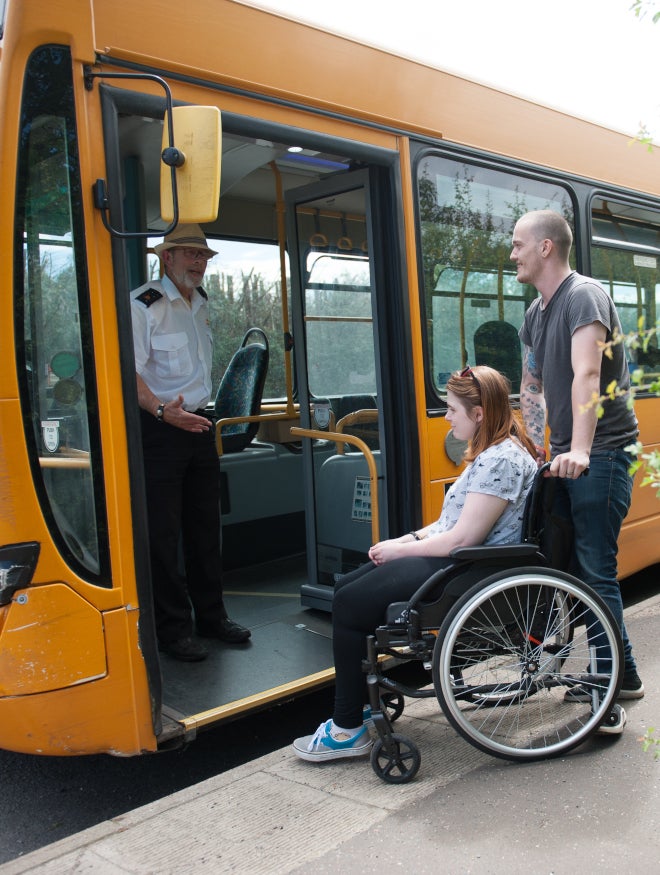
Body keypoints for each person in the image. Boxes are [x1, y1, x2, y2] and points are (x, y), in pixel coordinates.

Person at [293, 365, 538, 762]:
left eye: (452, 410)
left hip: (468, 570)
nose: (446, 417)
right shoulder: (493, 455)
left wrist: (399, 552)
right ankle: (355, 708)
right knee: (346, 590)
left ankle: (346, 727)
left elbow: (463, 538)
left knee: (350, 605)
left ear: (478, 414)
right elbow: (449, 525)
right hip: (460, 563)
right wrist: (405, 540)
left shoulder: (501, 461)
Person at [512, 209, 643, 721]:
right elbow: (532, 383)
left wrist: (582, 450)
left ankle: (606, 690)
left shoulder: (583, 296)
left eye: (519, 243)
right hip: (568, 454)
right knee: (575, 571)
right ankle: (623, 676)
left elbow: (587, 373)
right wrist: (541, 445)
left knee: (595, 570)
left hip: (604, 451)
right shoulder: (536, 311)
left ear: (546, 247)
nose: (512, 252)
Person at [131, 223, 250, 662]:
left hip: (200, 424)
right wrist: (163, 412)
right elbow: (130, 371)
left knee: (204, 529)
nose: (197, 263)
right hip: (161, 429)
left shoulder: (199, 303)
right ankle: (173, 630)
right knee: (164, 535)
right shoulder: (145, 304)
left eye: (202, 257)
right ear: (167, 258)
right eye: (189, 255)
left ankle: (212, 618)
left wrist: (190, 416)